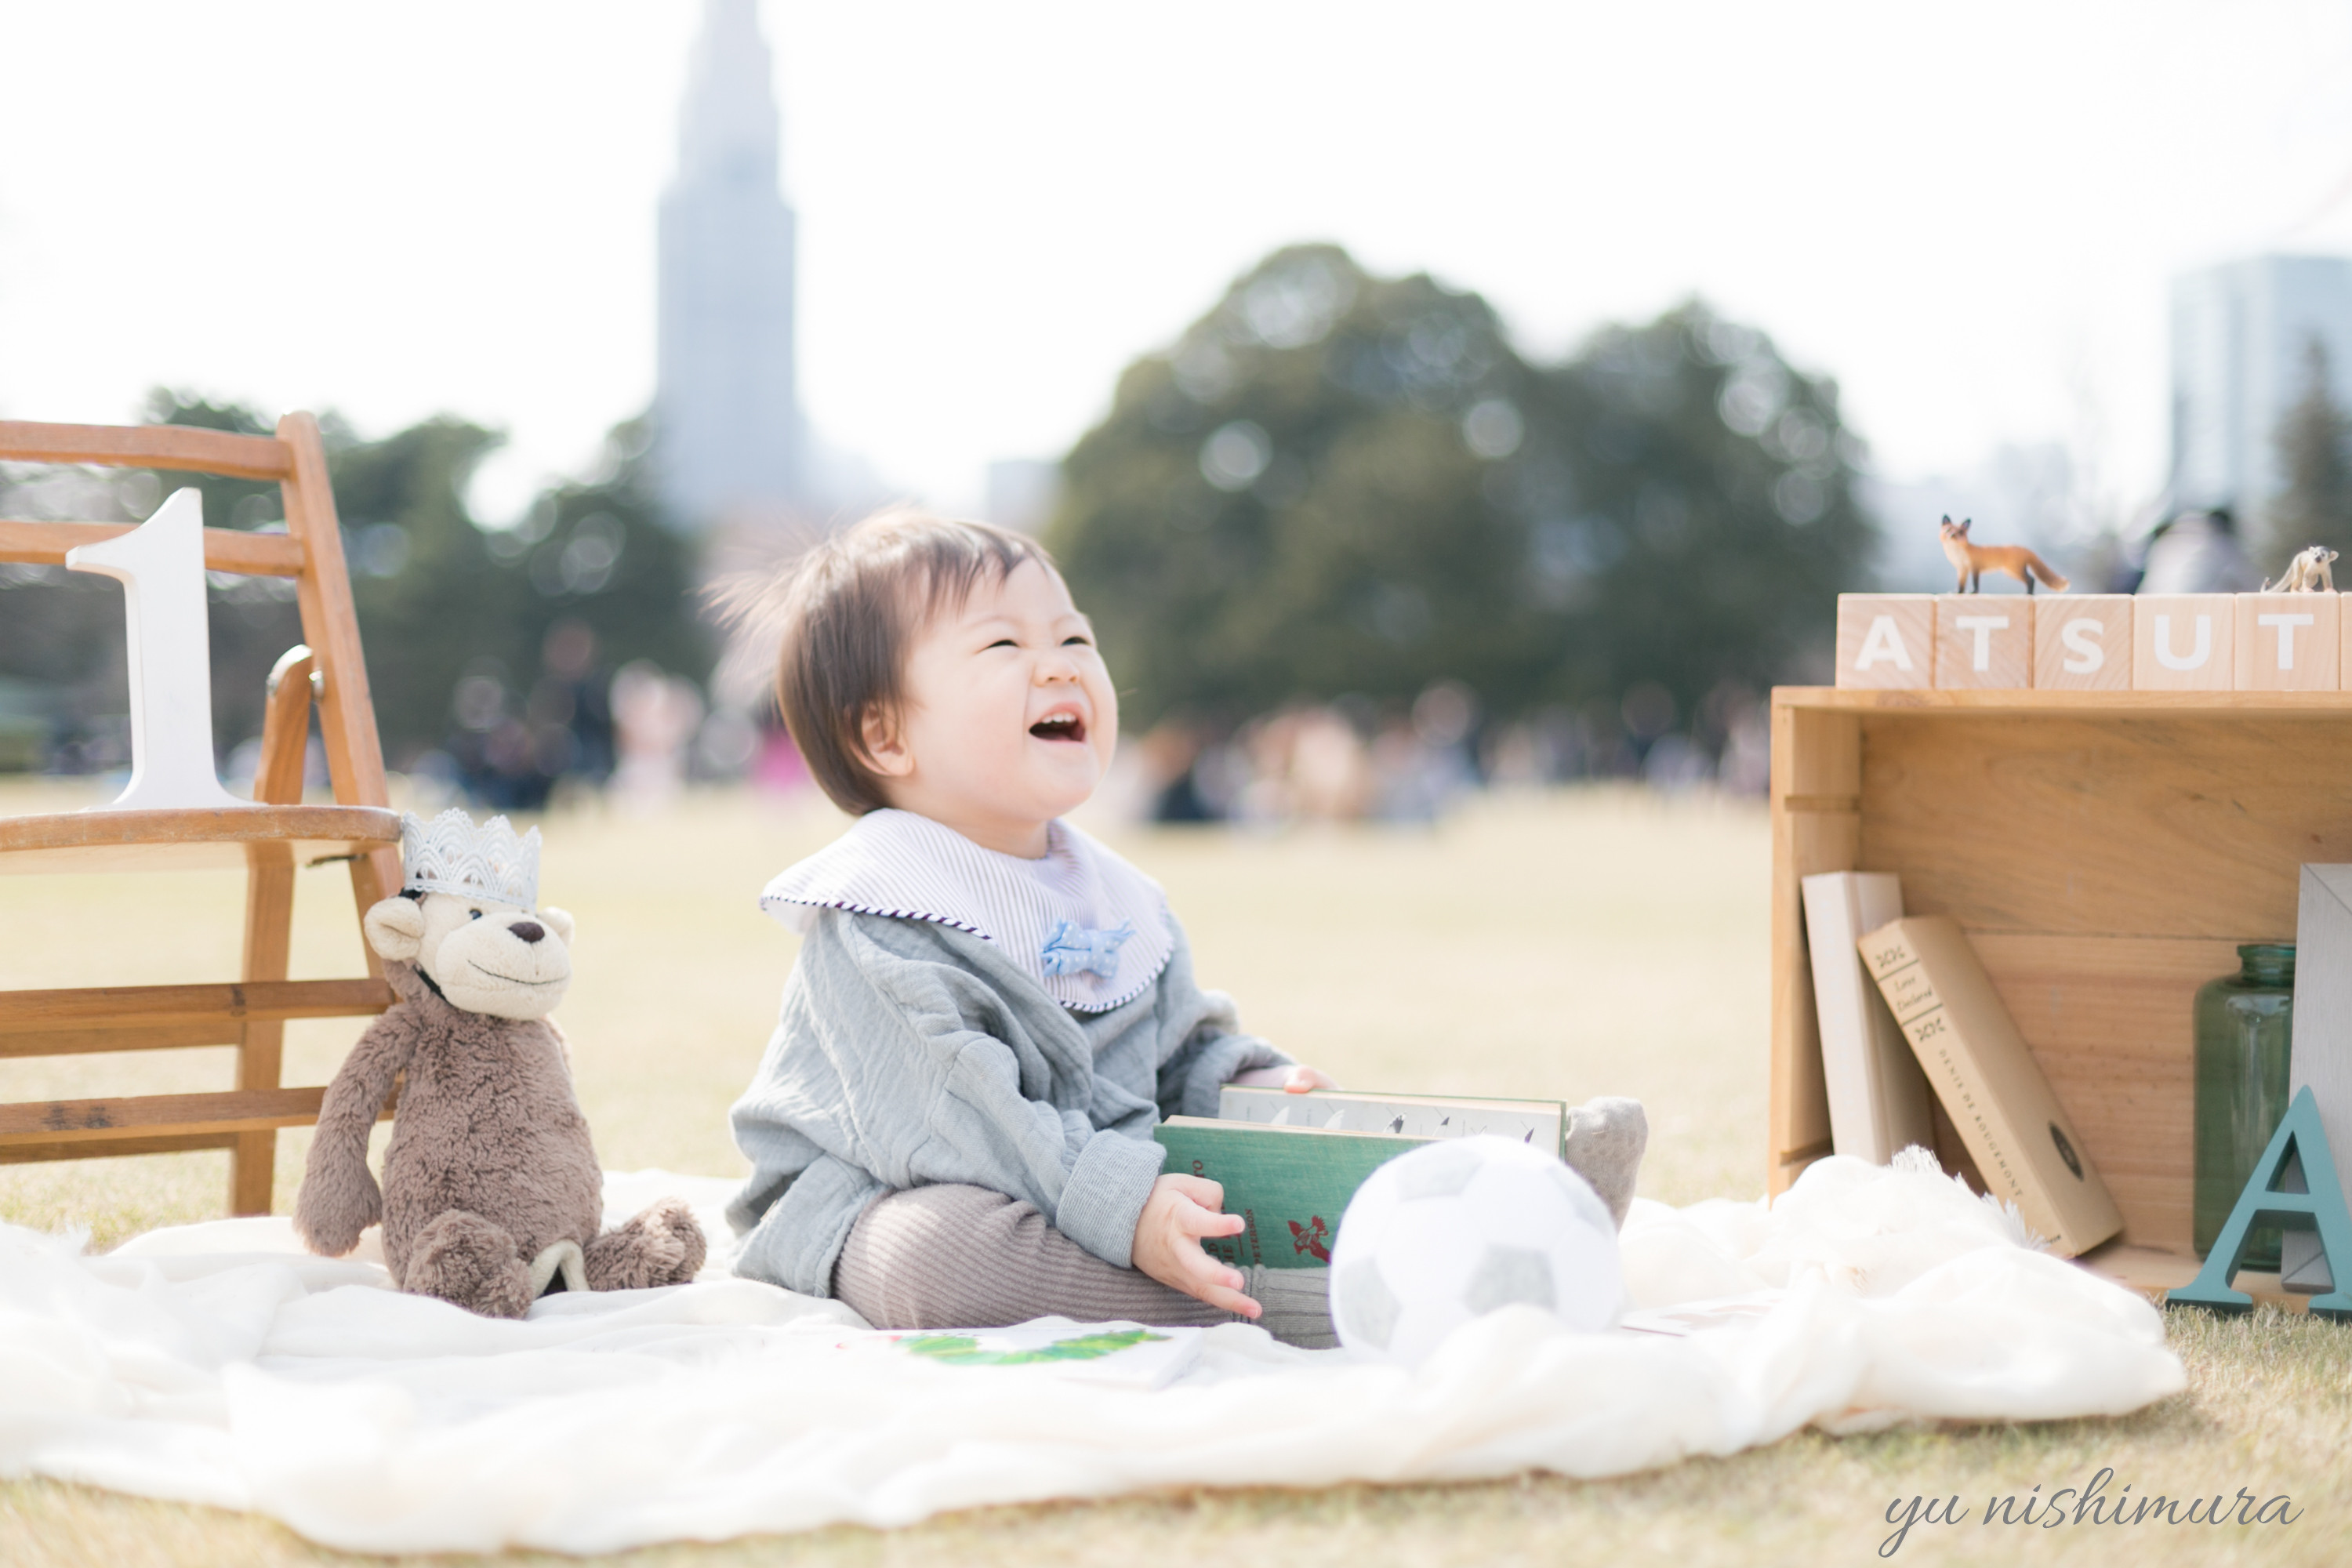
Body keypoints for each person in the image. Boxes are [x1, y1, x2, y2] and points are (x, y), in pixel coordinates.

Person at [724, 509, 1640, 1345]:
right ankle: (1301, 1301)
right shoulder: (879, 909)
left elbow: (1175, 1046)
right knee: (935, 1252)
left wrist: (1250, 1085)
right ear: (885, 736)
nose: (1061, 663)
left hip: (1111, 1169)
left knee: (1235, 1169)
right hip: (891, 1189)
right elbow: (966, 1119)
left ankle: (1517, 1189)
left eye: (1075, 635)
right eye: (1004, 642)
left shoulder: (1112, 894)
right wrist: (1130, 1209)